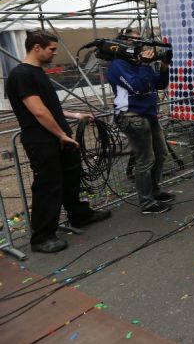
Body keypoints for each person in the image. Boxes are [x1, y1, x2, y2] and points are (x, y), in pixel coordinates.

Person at [5, 31, 110, 253]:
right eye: (52, 49)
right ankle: (42, 237)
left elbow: (51, 108)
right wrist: (61, 135)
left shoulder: (37, 72)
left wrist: (76, 115)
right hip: (42, 140)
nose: (54, 53)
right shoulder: (21, 74)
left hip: (57, 136)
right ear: (37, 47)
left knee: (71, 177)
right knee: (48, 186)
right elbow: (39, 112)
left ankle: (79, 215)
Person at [107, 29, 175, 215]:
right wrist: (145, 64)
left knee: (161, 154)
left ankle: (154, 192)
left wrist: (164, 66)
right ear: (123, 44)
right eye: (134, 41)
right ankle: (146, 202)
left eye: (140, 41)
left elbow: (159, 84)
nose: (139, 45)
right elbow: (137, 87)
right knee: (145, 160)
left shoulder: (139, 63)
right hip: (132, 116)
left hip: (149, 115)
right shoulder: (118, 65)